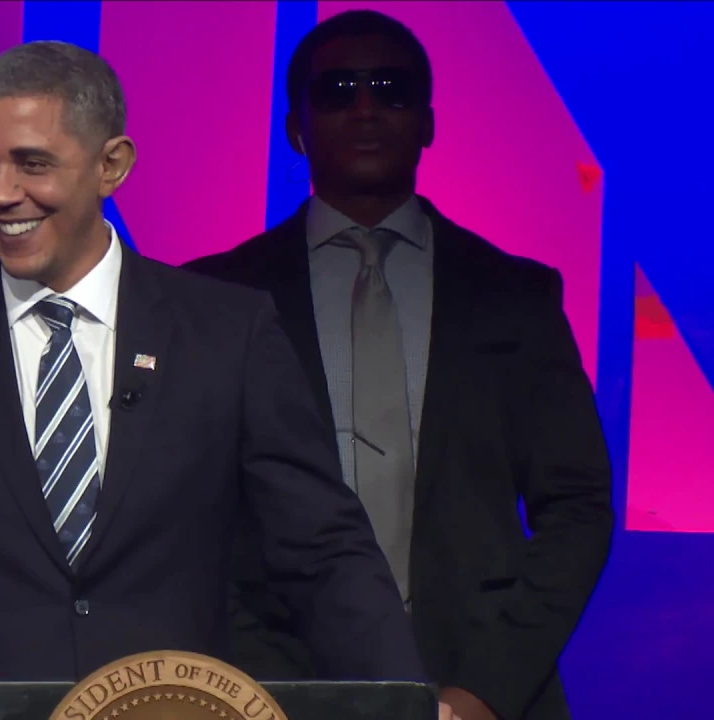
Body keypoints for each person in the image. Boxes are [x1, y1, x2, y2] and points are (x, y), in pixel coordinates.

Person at [0, 40, 453, 720]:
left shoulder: (227, 333)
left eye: (32, 163)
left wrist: (405, 700)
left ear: (112, 165)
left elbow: (322, 550)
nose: (1, 194)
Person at [183, 10, 614, 720]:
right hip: (269, 690)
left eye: (391, 89)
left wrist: (485, 690)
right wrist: (247, 683)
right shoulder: (212, 297)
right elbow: (182, 517)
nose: (365, 108)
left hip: (484, 686)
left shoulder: (517, 296)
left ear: (429, 122)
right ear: (294, 128)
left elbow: (578, 507)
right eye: (337, 91)